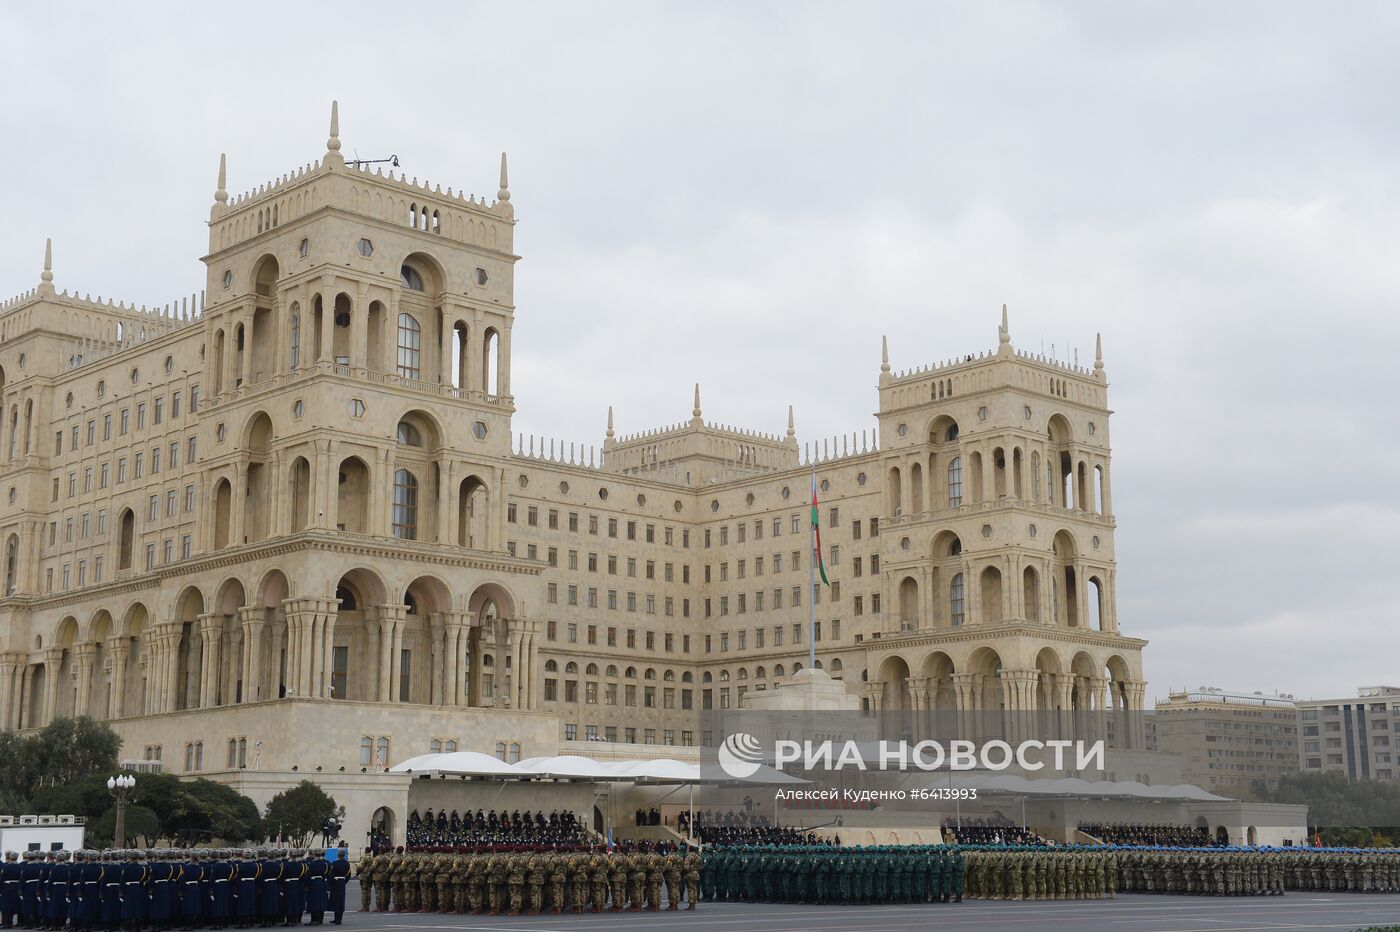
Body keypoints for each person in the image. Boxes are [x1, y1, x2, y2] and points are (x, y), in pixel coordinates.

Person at [327, 844, 351, 925]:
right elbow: (348, 874)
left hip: (335, 882)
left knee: (336, 901)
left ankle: (336, 919)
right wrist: (344, 881)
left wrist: (330, 884)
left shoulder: (334, 863)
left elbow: (331, 874)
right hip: (342, 882)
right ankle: (339, 919)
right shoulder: (347, 863)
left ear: (338, 855)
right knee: (341, 901)